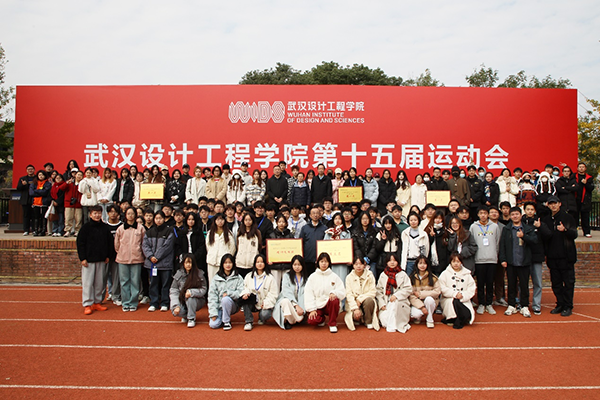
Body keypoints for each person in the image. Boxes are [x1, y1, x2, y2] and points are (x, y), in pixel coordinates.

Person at [541, 196, 578, 317]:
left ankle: (568, 305)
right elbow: (545, 238)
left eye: (555, 203)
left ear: (559, 204)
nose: (553, 206)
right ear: (548, 205)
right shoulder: (546, 220)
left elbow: (574, 234)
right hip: (552, 257)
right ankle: (560, 303)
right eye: (551, 203)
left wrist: (565, 230)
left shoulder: (568, 217)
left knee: (568, 283)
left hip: (566, 256)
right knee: (556, 283)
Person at [499, 206, 538, 318]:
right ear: (510, 216)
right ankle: (511, 304)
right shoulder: (506, 229)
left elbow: (535, 240)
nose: (515, 216)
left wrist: (523, 236)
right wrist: (503, 259)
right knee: (511, 284)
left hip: (524, 261)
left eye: (517, 214)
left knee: (524, 285)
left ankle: (524, 305)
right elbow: (502, 245)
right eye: (513, 214)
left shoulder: (528, 228)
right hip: (511, 262)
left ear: (521, 215)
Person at [76, 205, 115, 315]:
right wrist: (82, 258)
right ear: (90, 215)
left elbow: (109, 243)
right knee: (88, 283)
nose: (97, 215)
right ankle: (87, 304)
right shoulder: (85, 228)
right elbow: (80, 243)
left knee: (99, 283)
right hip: (88, 261)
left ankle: (97, 302)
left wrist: (108, 256)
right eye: (95, 213)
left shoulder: (105, 228)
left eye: (99, 213)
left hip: (101, 259)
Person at [470, 206, 501, 315]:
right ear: (478, 215)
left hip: (492, 259)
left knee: (490, 283)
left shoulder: (494, 227)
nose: (483, 215)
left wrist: (495, 254)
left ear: (488, 214)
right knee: (480, 283)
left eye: (485, 213)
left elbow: (497, 242)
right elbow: (472, 242)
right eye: (481, 213)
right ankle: (481, 303)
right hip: (479, 259)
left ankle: (489, 303)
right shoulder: (473, 227)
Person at [142, 210, 175, 312]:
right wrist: (150, 256)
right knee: (153, 284)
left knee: (165, 284)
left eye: (160, 218)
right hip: (152, 263)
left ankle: (165, 302)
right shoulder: (149, 232)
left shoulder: (169, 231)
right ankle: (154, 302)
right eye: (156, 218)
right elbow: (145, 245)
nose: (158, 220)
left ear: (164, 219)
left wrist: (156, 257)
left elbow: (167, 246)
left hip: (165, 263)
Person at [304, 252, 346, 333]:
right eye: (322, 261)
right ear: (318, 263)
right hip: (318, 305)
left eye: (326, 261)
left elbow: (342, 291)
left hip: (329, 304)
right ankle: (321, 319)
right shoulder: (313, 277)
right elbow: (308, 293)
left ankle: (332, 324)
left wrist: (334, 293)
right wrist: (312, 309)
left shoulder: (334, 276)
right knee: (312, 321)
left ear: (329, 263)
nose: (324, 264)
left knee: (334, 300)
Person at [114, 207, 145, 312]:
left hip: (137, 258)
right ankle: (125, 302)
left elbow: (143, 242)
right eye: (128, 213)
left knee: (135, 282)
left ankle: (133, 302)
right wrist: (121, 252)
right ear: (125, 215)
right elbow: (117, 244)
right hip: (122, 259)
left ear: (135, 215)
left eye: (132, 213)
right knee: (124, 282)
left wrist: (140, 253)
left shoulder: (140, 228)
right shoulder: (120, 228)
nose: (130, 216)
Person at [239, 254, 279, 331]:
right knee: (245, 300)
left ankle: (261, 318)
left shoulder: (270, 278)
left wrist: (266, 303)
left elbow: (273, 294)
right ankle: (248, 322)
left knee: (265, 314)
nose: (260, 264)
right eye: (257, 262)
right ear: (254, 264)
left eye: (262, 262)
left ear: (265, 263)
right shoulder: (249, 276)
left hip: (263, 303)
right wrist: (246, 293)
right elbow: (244, 287)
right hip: (252, 302)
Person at [375, 253, 412, 333]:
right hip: (386, 300)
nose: (392, 262)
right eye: (390, 260)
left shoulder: (403, 274)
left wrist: (396, 295)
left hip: (399, 301)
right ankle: (392, 324)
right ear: (386, 262)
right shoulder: (383, 275)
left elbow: (408, 288)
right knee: (384, 321)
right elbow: (378, 291)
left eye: (394, 260)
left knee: (394, 304)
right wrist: (382, 304)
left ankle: (393, 327)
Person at [439, 252, 476, 329]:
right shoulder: (445, 273)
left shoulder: (467, 274)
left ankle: (461, 318)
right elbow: (442, 287)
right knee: (452, 303)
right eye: (454, 261)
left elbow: (471, 288)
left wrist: (462, 295)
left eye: (458, 261)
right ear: (450, 262)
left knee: (467, 313)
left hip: (463, 299)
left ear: (461, 262)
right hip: (448, 298)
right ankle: (452, 318)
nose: (456, 264)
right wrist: (454, 294)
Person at [208, 254, 244, 330]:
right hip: (219, 307)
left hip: (232, 305)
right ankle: (222, 316)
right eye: (225, 263)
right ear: (222, 264)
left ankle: (226, 322)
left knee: (226, 299)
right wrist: (213, 313)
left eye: (230, 262)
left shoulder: (238, 278)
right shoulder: (216, 278)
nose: (228, 265)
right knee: (213, 325)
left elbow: (240, 293)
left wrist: (229, 294)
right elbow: (212, 296)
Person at [170, 254, 207, 328]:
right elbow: (174, 290)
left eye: (190, 262)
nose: (188, 265)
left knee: (190, 298)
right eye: (186, 262)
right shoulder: (178, 274)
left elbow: (204, 288)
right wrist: (176, 305)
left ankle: (191, 318)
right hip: (182, 300)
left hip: (197, 300)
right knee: (176, 311)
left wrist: (192, 292)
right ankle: (186, 315)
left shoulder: (199, 274)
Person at [273, 255, 309, 330]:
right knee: (285, 301)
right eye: (295, 265)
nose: (297, 267)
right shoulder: (287, 276)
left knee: (299, 317)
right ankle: (291, 321)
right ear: (292, 265)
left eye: (299, 265)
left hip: (300, 307)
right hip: (290, 303)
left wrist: (301, 308)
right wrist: (296, 305)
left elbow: (305, 295)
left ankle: (290, 320)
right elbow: (286, 291)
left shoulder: (306, 278)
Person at [523, 202, 546, 315]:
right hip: (524, 256)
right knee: (523, 282)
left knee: (537, 282)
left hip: (537, 256)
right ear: (525, 210)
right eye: (528, 209)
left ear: (535, 211)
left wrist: (540, 227)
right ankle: (523, 303)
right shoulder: (521, 222)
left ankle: (536, 305)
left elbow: (548, 235)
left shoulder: (539, 222)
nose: (530, 211)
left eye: (532, 209)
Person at [344, 256, 379, 331]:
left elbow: (373, 291)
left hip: (365, 300)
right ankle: (359, 318)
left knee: (369, 301)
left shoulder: (369, 275)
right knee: (354, 315)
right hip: (355, 302)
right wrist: (355, 308)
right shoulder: (349, 277)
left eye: (360, 264)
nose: (358, 266)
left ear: (364, 265)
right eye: (356, 264)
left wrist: (360, 299)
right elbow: (349, 295)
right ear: (353, 265)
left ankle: (368, 321)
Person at [408, 255, 441, 329]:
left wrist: (421, 294)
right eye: (420, 263)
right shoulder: (412, 278)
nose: (422, 265)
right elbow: (411, 295)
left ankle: (430, 319)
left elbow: (437, 292)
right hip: (417, 303)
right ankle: (418, 317)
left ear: (427, 265)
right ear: (417, 265)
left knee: (429, 299)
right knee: (415, 314)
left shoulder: (433, 278)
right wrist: (422, 307)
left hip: (431, 301)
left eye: (424, 263)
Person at [205, 213, 236, 283]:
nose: (220, 221)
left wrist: (227, 258)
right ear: (215, 221)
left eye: (222, 219)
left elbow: (232, 248)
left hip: (223, 262)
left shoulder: (229, 233)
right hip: (212, 261)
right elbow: (208, 246)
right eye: (218, 219)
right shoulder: (210, 233)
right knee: (212, 281)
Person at [175, 212, 207, 276]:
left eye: (192, 219)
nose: (191, 221)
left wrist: (194, 257)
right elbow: (177, 246)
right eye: (189, 219)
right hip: (184, 259)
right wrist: (184, 256)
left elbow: (201, 247)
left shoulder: (199, 233)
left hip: (197, 259)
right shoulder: (181, 233)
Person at [323, 212, 353, 282]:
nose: (337, 220)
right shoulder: (329, 232)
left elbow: (349, 247)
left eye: (339, 219)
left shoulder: (347, 232)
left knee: (342, 278)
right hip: (332, 259)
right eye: (335, 219)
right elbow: (324, 246)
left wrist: (349, 258)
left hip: (343, 260)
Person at [269, 214, 295, 289]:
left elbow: (294, 248)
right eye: (279, 222)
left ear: (286, 223)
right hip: (275, 265)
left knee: (286, 285)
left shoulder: (290, 235)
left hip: (287, 264)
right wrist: (269, 259)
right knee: (275, 286)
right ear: (276, 223)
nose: (281, 224)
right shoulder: (272, 235)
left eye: (283, 222)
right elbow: (269, 249)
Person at [299, 205, 328, 273]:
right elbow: (301, 242)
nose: (315, 215)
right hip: (308, 259)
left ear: (320, 215)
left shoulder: (324, 228)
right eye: (313, 213)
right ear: (310, 215)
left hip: (321, 260)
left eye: (317, 213)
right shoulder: (305, 228)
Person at [236, 212, 262, 277]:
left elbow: (259, 246)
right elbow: (237, 246)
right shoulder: (240, 231)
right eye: (246, 220)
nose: (248, 222)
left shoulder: (257, 232)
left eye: (250, 220)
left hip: (252, 263)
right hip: (240, 262)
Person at [58, 171, 84, 237]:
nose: (79, 176)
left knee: (78, 219)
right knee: (68, 218)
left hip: (78, 203)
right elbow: (61, 188)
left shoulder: (83, 183)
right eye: (78, 175)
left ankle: (77, 231)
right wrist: (67, 183)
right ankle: (67, 231)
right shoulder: (70, 183)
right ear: (75, 175)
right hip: (69, 203)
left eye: (81, 175)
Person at [425, 210, 449, 278]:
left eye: (440, 218)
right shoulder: (428, 229)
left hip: (442, 261)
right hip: (431, 261)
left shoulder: (445, 231)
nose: (438, 220)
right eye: (436, 218)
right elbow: (426, 245)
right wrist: (431, 236)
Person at [30, 170, 52, 236]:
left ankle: (43, 230)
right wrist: (40, 191)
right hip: (35, 203)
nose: (41, 176)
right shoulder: (33, 183)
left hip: (44, 202)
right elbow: (31, 193)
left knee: (43, 217)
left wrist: (36, 191)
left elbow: (45, 192)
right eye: (39, 175)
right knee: (36, 217)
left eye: (42, 175)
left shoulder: (48, 184)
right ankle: (36, 230)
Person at [575, 162, 594, 238]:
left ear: (585, 168)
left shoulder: (589, 178)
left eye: (583, 167)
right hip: (575, 200)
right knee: (574, 217)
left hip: (585, 200)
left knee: (585, 217)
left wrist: (586, 183)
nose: (581, 168)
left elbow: (591, 189)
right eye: (580, 167)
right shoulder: (574, 176)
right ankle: (574, 232)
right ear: (577, 168)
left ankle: (586, 232)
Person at [17, 164, 36, 235]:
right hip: (25, 199)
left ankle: (34, 229)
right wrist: (23, 184)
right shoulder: (23, 178)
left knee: (34, 215)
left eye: (31, 169)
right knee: (26, 215)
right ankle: (26, 230)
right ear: (26, 171)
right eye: (29, 169)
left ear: (34, 170)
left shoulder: (36, 178)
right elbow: (18, 188)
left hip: (34, 199)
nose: (30, 170)